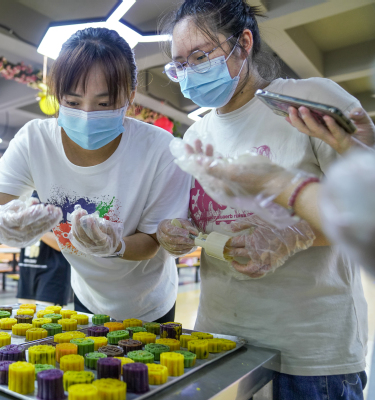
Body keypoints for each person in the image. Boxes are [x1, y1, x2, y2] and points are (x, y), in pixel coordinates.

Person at [156, 0, 368, 398]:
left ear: (243, 43)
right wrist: (174, 232)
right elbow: (199, 220)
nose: (189, 73)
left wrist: (292, 236)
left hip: (309, 352)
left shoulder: (308, 102)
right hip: (221, 342)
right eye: (179, 65)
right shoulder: (197, 136)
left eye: (200, 57)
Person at [0, 27, 191, 322]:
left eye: (104, 104)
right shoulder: (35, 141)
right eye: (72, 103)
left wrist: (116, 245)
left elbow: (150, 244)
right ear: (58, 97)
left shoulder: (159, 148)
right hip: (86, 296)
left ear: (130, 96)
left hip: (149, 302)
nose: (86, 115)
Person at [18, 231, 72, 307]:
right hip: (27, 273)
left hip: (52, 275)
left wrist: (34, 227)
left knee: (46, 313)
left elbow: (63, 244)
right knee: (24, 313)